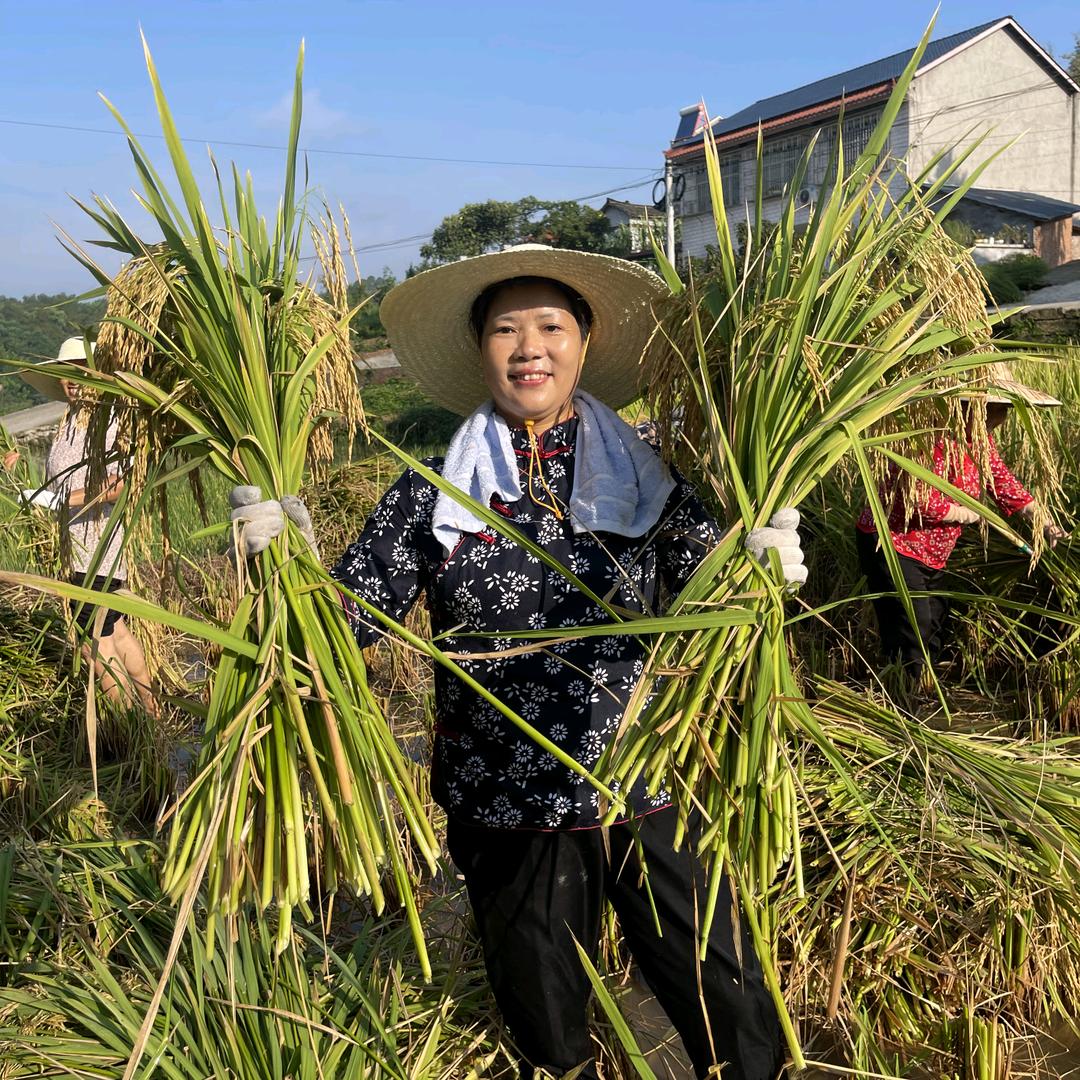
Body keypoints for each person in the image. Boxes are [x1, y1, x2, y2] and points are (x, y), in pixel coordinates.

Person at [231, 245, 804, 1079]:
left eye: (549, 325)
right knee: (542, 1004)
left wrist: (764, 566)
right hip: (502, 796)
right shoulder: (433, 489)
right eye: (505, 329)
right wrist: (284, 568)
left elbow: (713, 599)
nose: (528, 346)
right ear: (481, 350)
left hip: (644, 779)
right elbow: (344, 626)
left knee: (724, 985)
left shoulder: (647, 474)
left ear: (582, 341)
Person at [856, 374, 1064, 674]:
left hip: (933, 553)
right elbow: (913, 500)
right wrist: (968, 513)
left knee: (937, 616)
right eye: (993, 409)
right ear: (966, 408)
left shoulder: (979, 442)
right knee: (914, 624)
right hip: (892, 544)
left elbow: (1004, 483)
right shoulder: (927, 441)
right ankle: (904, 694)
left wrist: (1044, 522)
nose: (1001, 418)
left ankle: (928, 685)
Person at [20, 336, 159, 718]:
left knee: (91, 641)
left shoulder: (109, 420)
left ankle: (128, 726)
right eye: (67, 372)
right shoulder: (69, 422)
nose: (73, 378)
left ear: (99, 373)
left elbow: (121, 484)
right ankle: (151, 711)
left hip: (99, 552)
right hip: (79, 551)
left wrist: (65, 499)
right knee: (113, 630)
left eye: (83, 369)